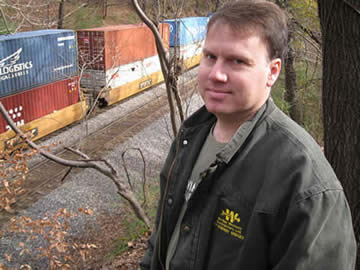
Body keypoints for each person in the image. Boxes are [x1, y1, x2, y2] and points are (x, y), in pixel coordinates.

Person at [140, 1, 357, 269]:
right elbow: (161, 240)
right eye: (210, 56)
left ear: (272, 71)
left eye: (237, 61)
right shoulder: (190, 137)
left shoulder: (305, 182)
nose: (217, 74)